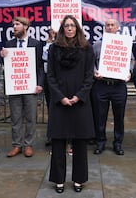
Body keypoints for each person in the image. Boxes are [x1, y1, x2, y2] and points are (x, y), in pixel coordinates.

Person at [47, 15, 95, 193]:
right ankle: (59, 180)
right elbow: (50, 76)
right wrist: (60, 97)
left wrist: (79, 96)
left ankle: (79, 179)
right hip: (60, 102)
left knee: (80, 143)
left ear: (77, 28)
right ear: (62, 29)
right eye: (66, 26)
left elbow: (89, 76)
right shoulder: (54, 49)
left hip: (79, 102)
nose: (69, 29)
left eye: (72, 26)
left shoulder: (86, 49)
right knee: (58, 142)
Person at [1, 16, 44, 158]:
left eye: (17, 25)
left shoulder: (36, 44)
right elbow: (7, 66)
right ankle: (16, 145)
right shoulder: (9, 44)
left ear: (26, 26)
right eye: (13, 25)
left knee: (31, 116)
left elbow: (39, 67)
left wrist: (39, 84)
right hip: (15, 86)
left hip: (30, 86)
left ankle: (28, 144)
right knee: (16, 117)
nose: (14, 27)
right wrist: (3, 56)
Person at [92, 18, 128, 155]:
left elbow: (130, 61)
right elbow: (91, 62)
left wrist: (129, 72)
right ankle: (100, 142)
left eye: (113, 25)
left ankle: (118, 143)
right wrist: (94, 71)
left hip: (118, 86)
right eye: (107, 25)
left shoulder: (124, 44)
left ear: (117, 27)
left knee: (119, 117)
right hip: (101, 85)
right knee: (100, 116)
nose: (110, 27)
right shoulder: (97, 45)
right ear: (104, 28)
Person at [43, 27, 56, 147]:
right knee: (51, 108)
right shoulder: (47, 44)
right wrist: (50, 40)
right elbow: (44, 58)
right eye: (51, 31)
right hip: (49, 80)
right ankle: (52, 135)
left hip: (63, 81)